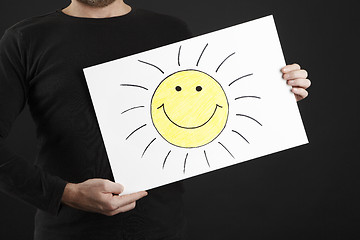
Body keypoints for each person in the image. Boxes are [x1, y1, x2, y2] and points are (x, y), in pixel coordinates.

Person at [0, 0, 311, 239]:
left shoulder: (170, 31)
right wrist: (66, 194)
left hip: (163, 231)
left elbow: (200, 117)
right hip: (66, 235)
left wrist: (275, 94)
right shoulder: (25, 39)